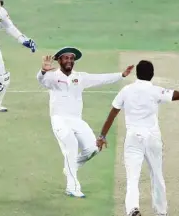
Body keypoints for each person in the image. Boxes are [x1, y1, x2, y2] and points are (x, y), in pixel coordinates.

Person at [37, 47, 133, 198]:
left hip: (77, 120)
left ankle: (71, 166)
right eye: (66, 58)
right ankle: (72, 187)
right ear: (59, 60)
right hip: (59, 120)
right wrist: (43, 71)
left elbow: (101, 78)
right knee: (71, 146)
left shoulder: (80, 77)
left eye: (71, 58)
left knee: (94, 148)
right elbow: (42, 81)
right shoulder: (52, 77)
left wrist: (121, 75)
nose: (69, 61)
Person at [96, 60, 178, 216]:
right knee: (156, 174)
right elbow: (175, 95)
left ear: (137, 74)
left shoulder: (126, 91)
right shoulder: (156, 91)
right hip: (152, 138)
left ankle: (133, 209)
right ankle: (162, 214)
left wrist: (102, 135)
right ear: (152, 74)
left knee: (132, 178)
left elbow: (112, 113)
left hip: (133, 138)